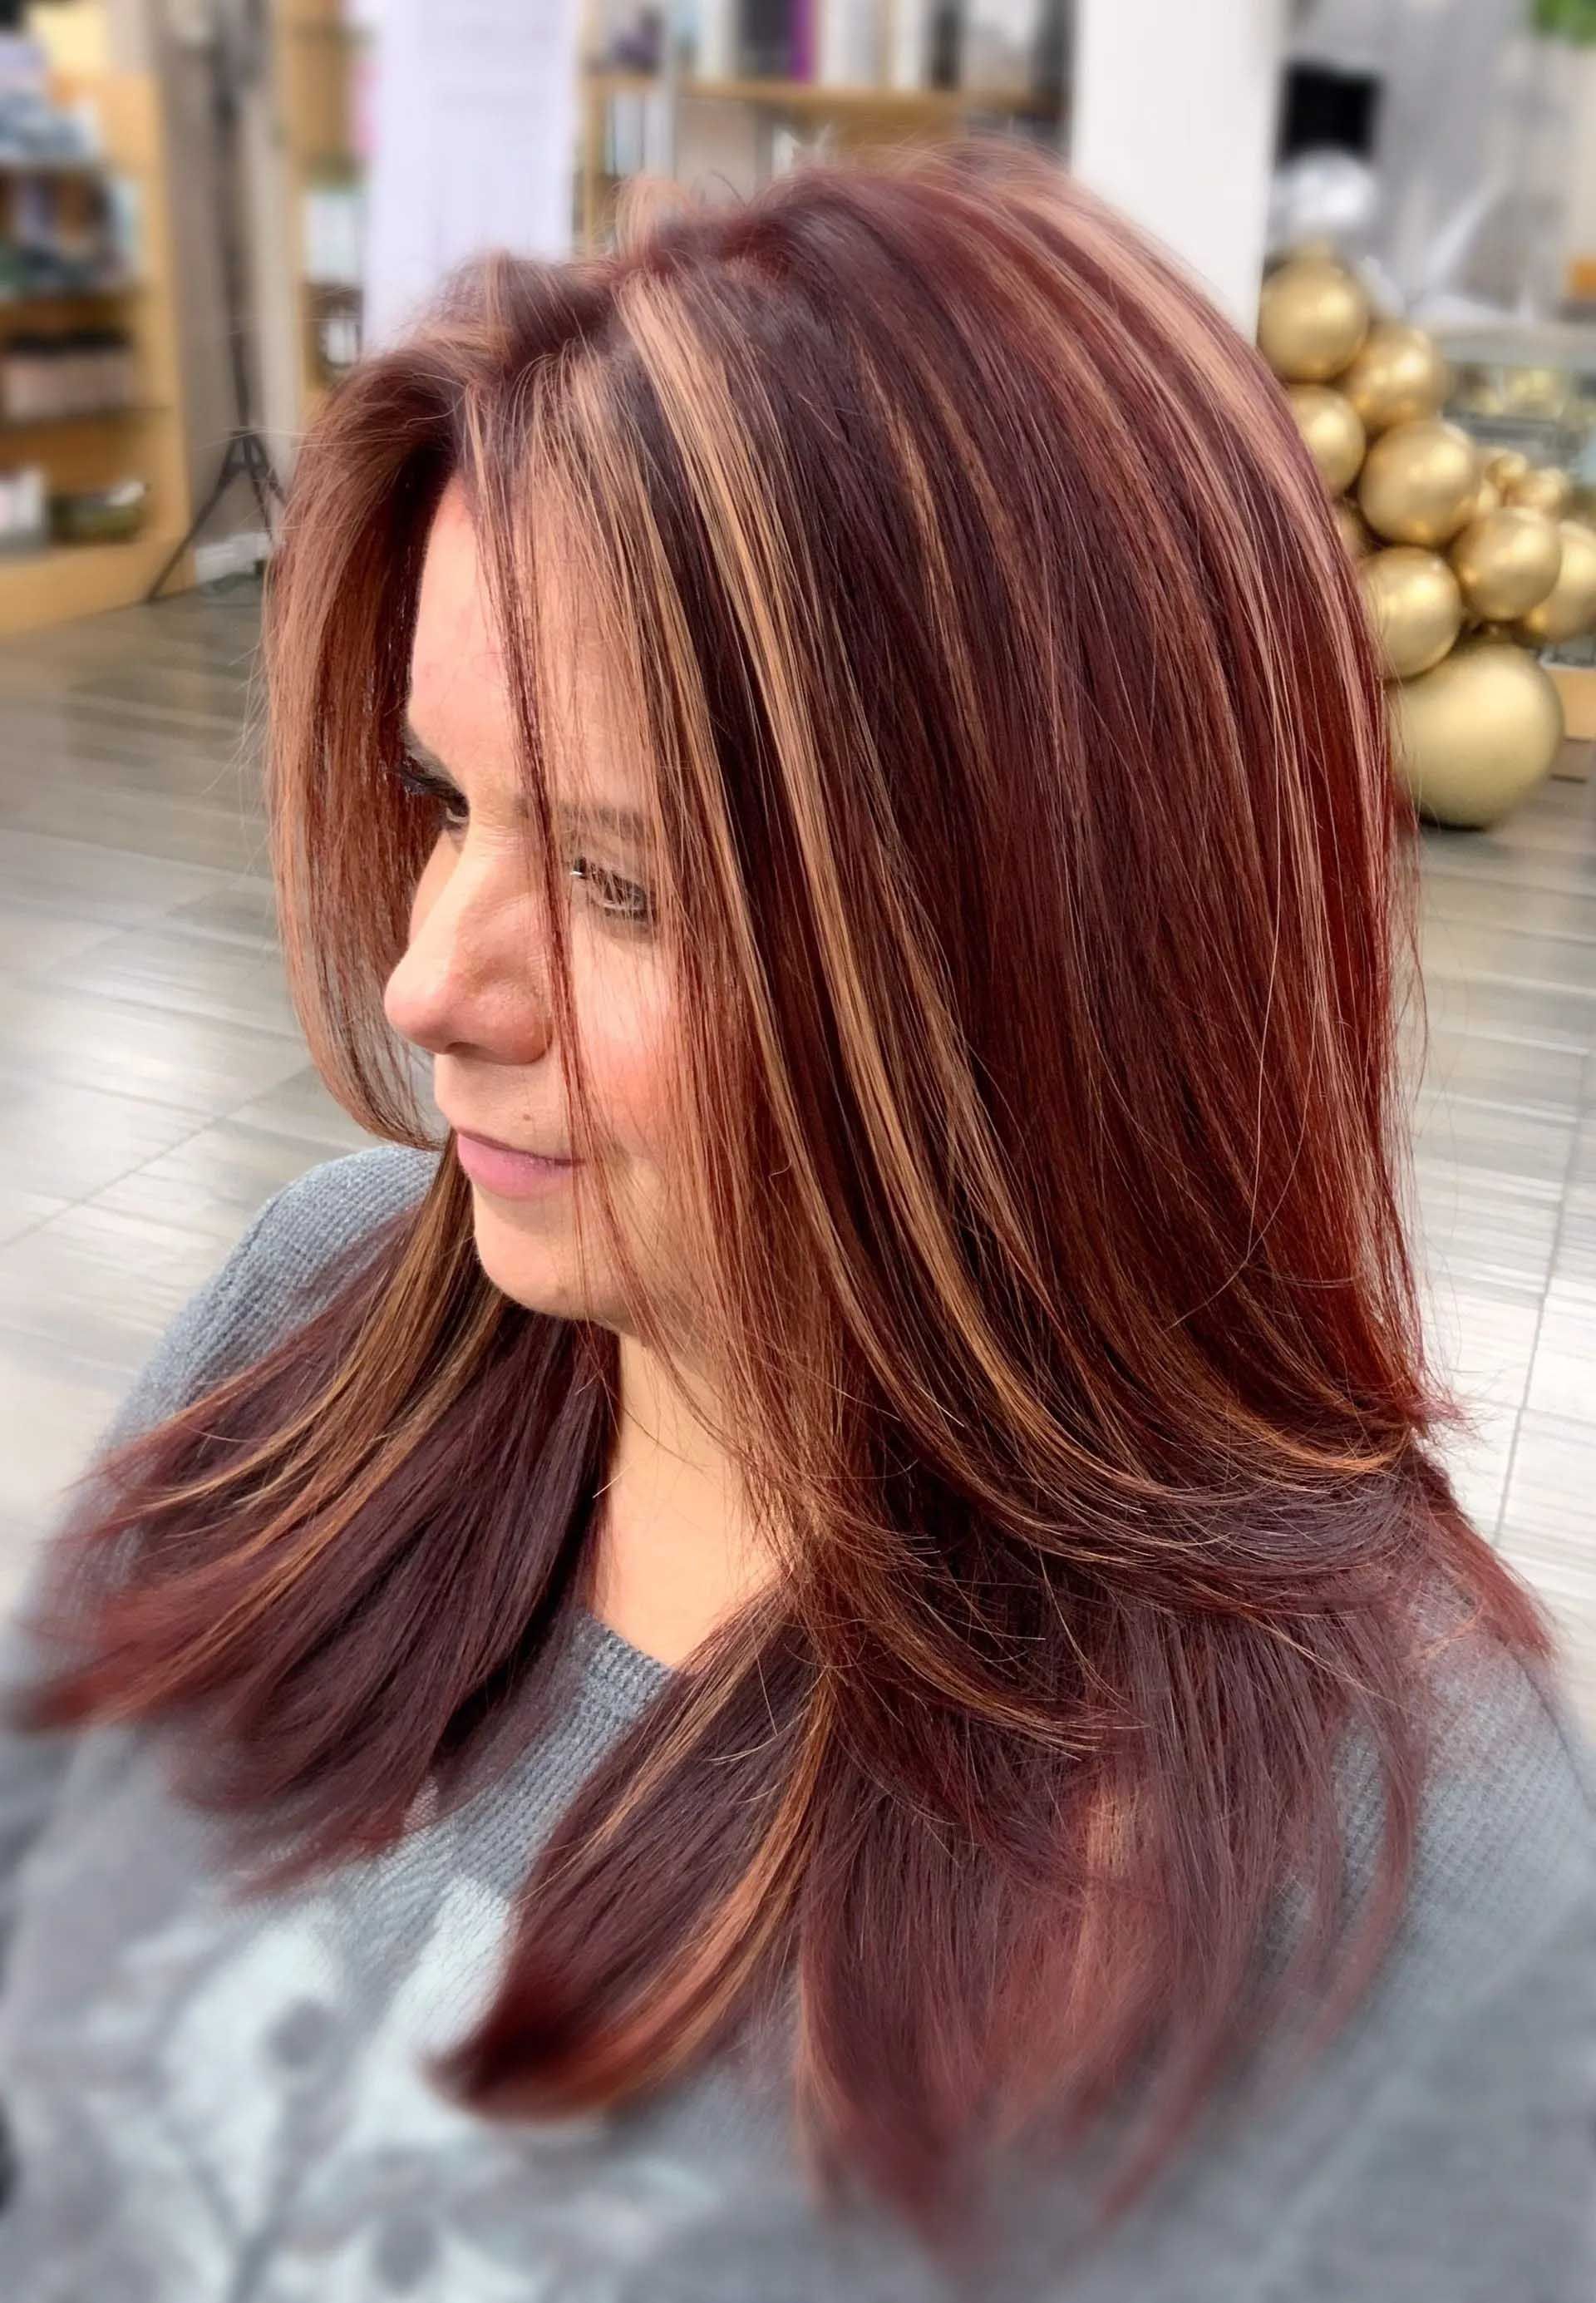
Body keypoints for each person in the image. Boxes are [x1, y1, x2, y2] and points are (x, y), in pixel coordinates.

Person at [0, 142, 1591, 2302]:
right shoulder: (315, 1319)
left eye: (625, 882)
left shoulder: (1422, 1896)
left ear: (1052, 960)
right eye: (446, 803)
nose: (428, 985)